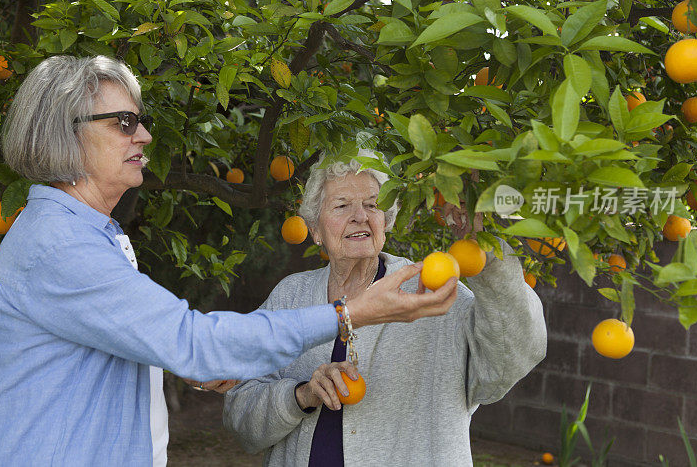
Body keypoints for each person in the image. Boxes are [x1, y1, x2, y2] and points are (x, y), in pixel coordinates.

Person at [0, 56, 458, 466]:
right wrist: (351, 314)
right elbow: (191, 340)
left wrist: (193, 364)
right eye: (124, 122)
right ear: (65, 133)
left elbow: (127, 342)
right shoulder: (59, 245)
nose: (145, 136)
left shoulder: (87, 235)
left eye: (141, 121)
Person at [223, 152, 547, 466]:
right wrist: (301, 395)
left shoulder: (431, 295)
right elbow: (240, 414)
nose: (360, 216)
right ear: (316, 229)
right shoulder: (289, 297)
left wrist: (488, 257)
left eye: (372, 205)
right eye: (341, 205)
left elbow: (511, 358)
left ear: (387, 220)